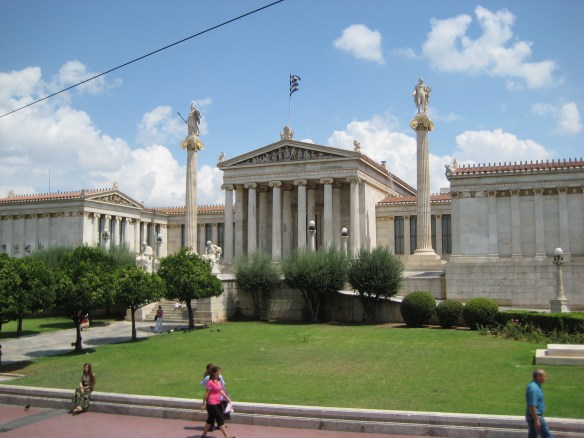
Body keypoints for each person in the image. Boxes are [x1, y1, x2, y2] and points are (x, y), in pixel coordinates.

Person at [201, 365, 233, 438]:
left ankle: (204, 435)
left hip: (218, 402)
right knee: (220, 419)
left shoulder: (218, 381)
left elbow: (220, 390)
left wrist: (227, 398)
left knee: (210, 419)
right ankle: (227, 436)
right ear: (214, 373)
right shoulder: (210, 382)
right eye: (218, 372)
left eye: (219, 372)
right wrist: (203, 404)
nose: (219, 373)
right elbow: (206, 393)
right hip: (211, 403)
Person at [526, 369, 551, 437]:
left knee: (533, 435)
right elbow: (532, 406)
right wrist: (536, 420)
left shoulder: (535, 386)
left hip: (533, 416)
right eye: (544, 376)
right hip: (535, 416)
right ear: (538, 377)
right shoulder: (533, 388)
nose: (545, 378)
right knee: (546, 435)